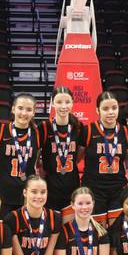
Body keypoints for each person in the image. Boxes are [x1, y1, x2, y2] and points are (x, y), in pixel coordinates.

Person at [80, 91, 128, 226]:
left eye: (114, 108)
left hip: (117, 189)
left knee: (116, 233)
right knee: (99, 234)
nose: (111, 112)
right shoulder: (88, 130)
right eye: (105, 108)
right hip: (94, 189)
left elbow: (127, 160)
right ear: (97, 110)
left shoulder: (125, 131)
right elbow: (77, 158)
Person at [0, 93, 42, 218]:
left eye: (29, 109)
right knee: (4, 233)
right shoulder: (1, 130)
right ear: (13, 109)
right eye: (20, 108)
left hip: (27, 195)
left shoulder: (38, 134)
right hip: (3, 194)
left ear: (34, 113)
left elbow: (40, 161)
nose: (24, 113)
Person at [41, 87, 81, 222]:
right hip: (51, 187)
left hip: (71, 186)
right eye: (59, 102)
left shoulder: (78, 127)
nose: (63, 106)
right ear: (52, 103)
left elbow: (80, 154)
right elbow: (35, 154)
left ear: (72, 103)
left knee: (68, 232)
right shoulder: (44, 127)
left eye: (67, 102)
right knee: (52, 229)